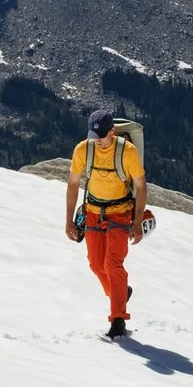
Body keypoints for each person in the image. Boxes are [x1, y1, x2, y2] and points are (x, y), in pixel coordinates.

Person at [65, 111, 147, 337]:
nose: (98, 141)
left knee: (113, 265)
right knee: (95, 264)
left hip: (119, 214)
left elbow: (141, 186)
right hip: (92, 212)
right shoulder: (83, 149)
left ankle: (118, 319)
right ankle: (120, 293)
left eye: (102, 136)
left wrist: (137, 221)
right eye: (94, 135)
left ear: (112, 131)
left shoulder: (127, 152)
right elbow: (73, 184)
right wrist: (69, 220)